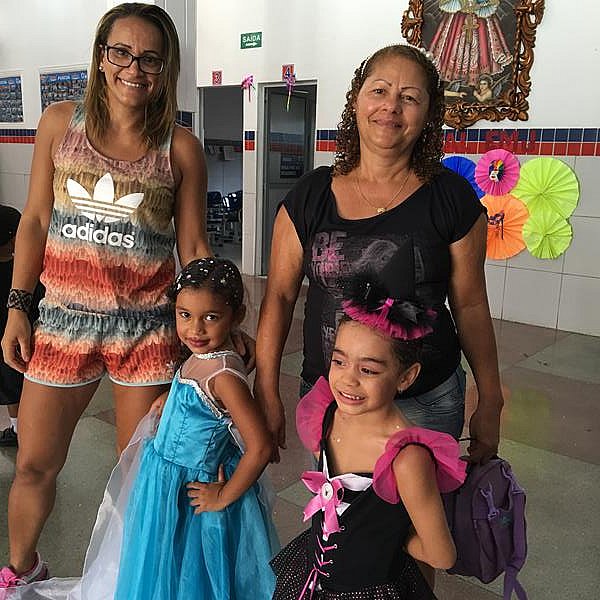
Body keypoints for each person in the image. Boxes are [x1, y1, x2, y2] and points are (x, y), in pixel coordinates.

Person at [0, 2, 210, 587]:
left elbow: (194, 246)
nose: (133, 68)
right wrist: (18, 308)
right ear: (100, 56)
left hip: (146, 330)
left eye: (150, 58)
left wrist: (215, 329)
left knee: (141, 478)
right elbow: (35, 221)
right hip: (62, 321)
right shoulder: (58, 124)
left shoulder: (179, 147)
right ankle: (20, 571)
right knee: (34, 464)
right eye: (122, 52)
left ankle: (130, 581)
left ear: (165, 68)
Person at [255, 44, 504, 465]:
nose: (391, 106)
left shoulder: (451, 198)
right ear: (356, 100)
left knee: (420, 506)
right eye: (379, 91)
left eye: (409, 97)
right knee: (340, 506)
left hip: (425, 401)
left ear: (428, 114)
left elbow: (471, 304)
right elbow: (279, 297)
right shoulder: (310, 196)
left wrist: (492, 399)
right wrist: (265, 388)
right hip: (333, 398)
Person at [3, 258, 277, 599]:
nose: (195, 330)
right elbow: (200, 395)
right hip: (168, 482)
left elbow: (260, 447)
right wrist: (171, 397)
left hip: (192, 491)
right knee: (163, 564)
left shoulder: (224, 375)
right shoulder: (202, 357)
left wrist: (223, 495)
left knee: (188, 573)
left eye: (211, 317)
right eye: (185, 315)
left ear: (236, 317)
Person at [270, 275, 467, 598]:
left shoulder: (407, 459)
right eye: (339, 361)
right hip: (313, 577)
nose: (348, 380)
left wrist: (390, 538)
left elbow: (441, 555)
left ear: (406, 377)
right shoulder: (327, 414)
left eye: (368, 370)